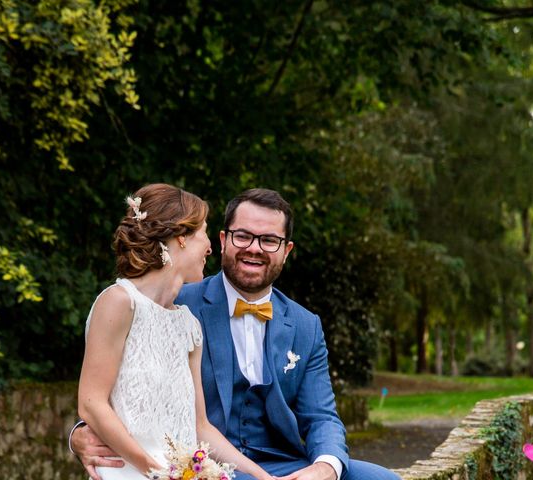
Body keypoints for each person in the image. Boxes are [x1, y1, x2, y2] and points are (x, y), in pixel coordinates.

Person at [72, 188, 399, 480]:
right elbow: (109, 388)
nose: (255, 249)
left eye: (269, 240)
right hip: (206, 466)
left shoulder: (305, 325)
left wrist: (325, 467)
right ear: (224, 239)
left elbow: (321, 415)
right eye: (243, 236)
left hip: (283, 464)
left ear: (287, 250)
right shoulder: (174, 301)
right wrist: (80, 435)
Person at [76, 183, 274, 480]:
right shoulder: (118, 302)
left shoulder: (188, 325)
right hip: (129, 472)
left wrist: (265, 478)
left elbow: (201, 427)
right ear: (181, 237)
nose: (211, 247)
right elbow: (91, 404)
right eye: (205, 232)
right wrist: (153, 470)